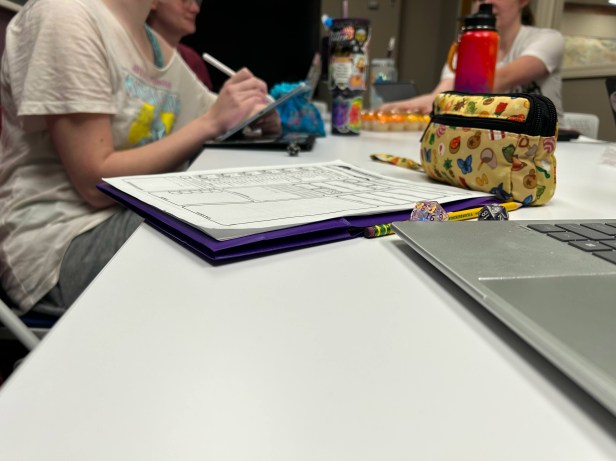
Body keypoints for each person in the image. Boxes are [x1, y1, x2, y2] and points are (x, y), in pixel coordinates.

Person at [0, 0, 280, 317]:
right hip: (62, 245)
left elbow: (219, 111)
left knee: (254, 210)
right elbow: (95, 185)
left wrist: (254, 113)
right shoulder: (65, 15)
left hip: (124, 215)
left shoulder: (153, 44)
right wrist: (211, 123)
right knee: (241, 225)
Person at [381, 0, 565, 121]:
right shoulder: (465, 47)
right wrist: (408, 106)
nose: (486, 2)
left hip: (548, 143)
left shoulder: (549, 40)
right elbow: (443, 94)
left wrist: (440, 100)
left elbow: (491, 83)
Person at [147, 0, 214, 90]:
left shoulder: (194, 63)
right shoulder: (131, 53)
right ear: (153, 2)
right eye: (185, 0)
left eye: (197, 1)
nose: (196, 9)